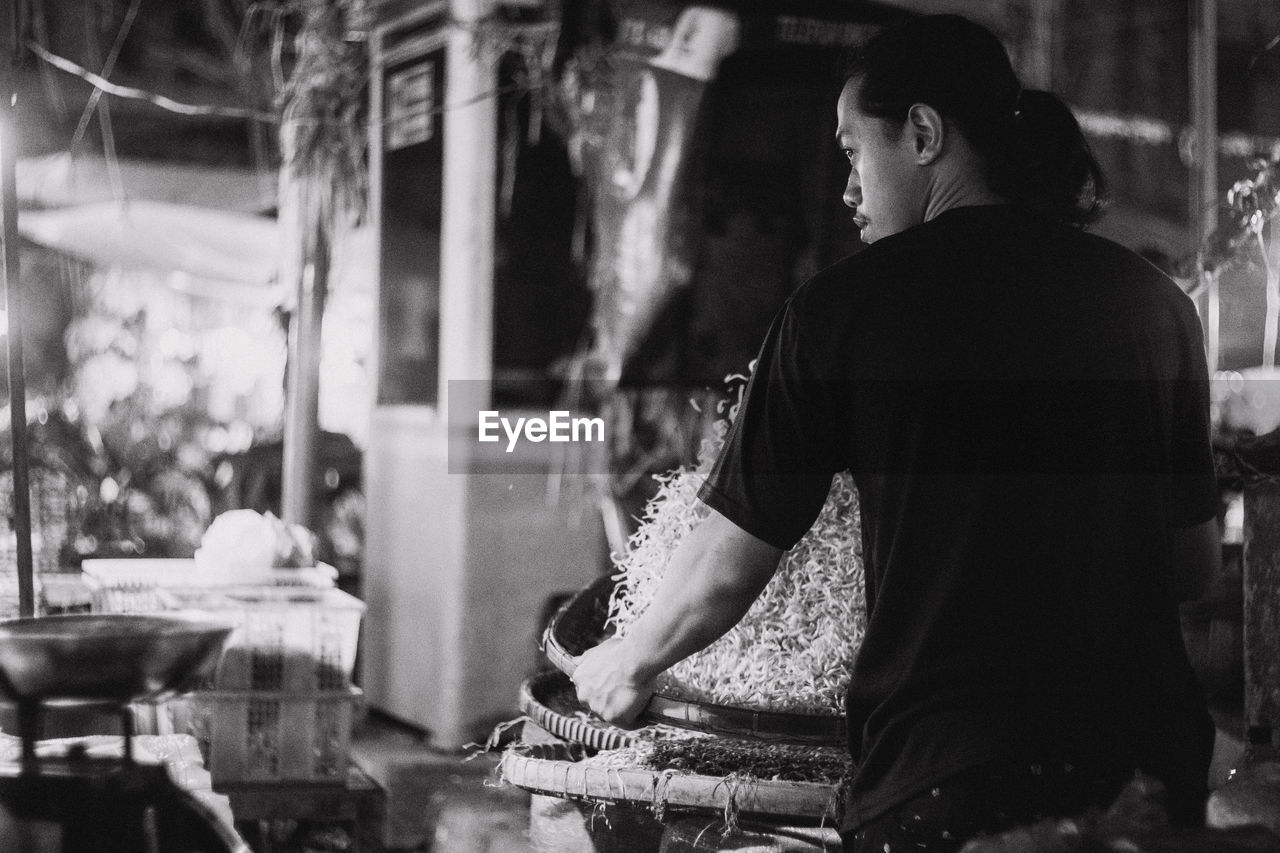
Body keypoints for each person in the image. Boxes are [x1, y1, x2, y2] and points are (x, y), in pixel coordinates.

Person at [571, 14, 1221, 853]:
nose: (847, 188)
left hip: (951, 780)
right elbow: (1192, 565)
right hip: (1147, 774)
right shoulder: (1157, 307)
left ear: (922, 133)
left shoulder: (841, 312)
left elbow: (727, 562)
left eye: (851, 150)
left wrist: (629, 660)